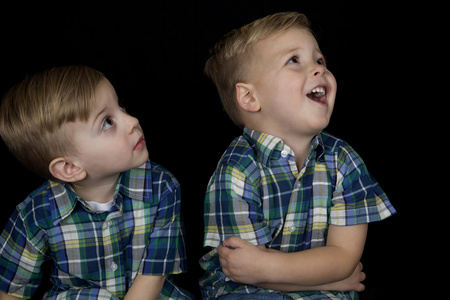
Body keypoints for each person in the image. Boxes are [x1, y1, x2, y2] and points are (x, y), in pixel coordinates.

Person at [199, 12, 396, 299]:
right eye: (294, 60)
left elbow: (343, 258)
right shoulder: (237, 171)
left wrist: (330, 278)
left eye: (319, 60)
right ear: (250, 98)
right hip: (244, 291)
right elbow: (244, 271)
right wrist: (328, 279)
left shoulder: (344, 160)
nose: (319, 70)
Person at [0, 66, 192, 299]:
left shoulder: (161, 187)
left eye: (121, 107)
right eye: (107, 122)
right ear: (70, 168)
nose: (133, 121)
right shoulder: (35, 214)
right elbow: (11, 290)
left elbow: (155, 273)